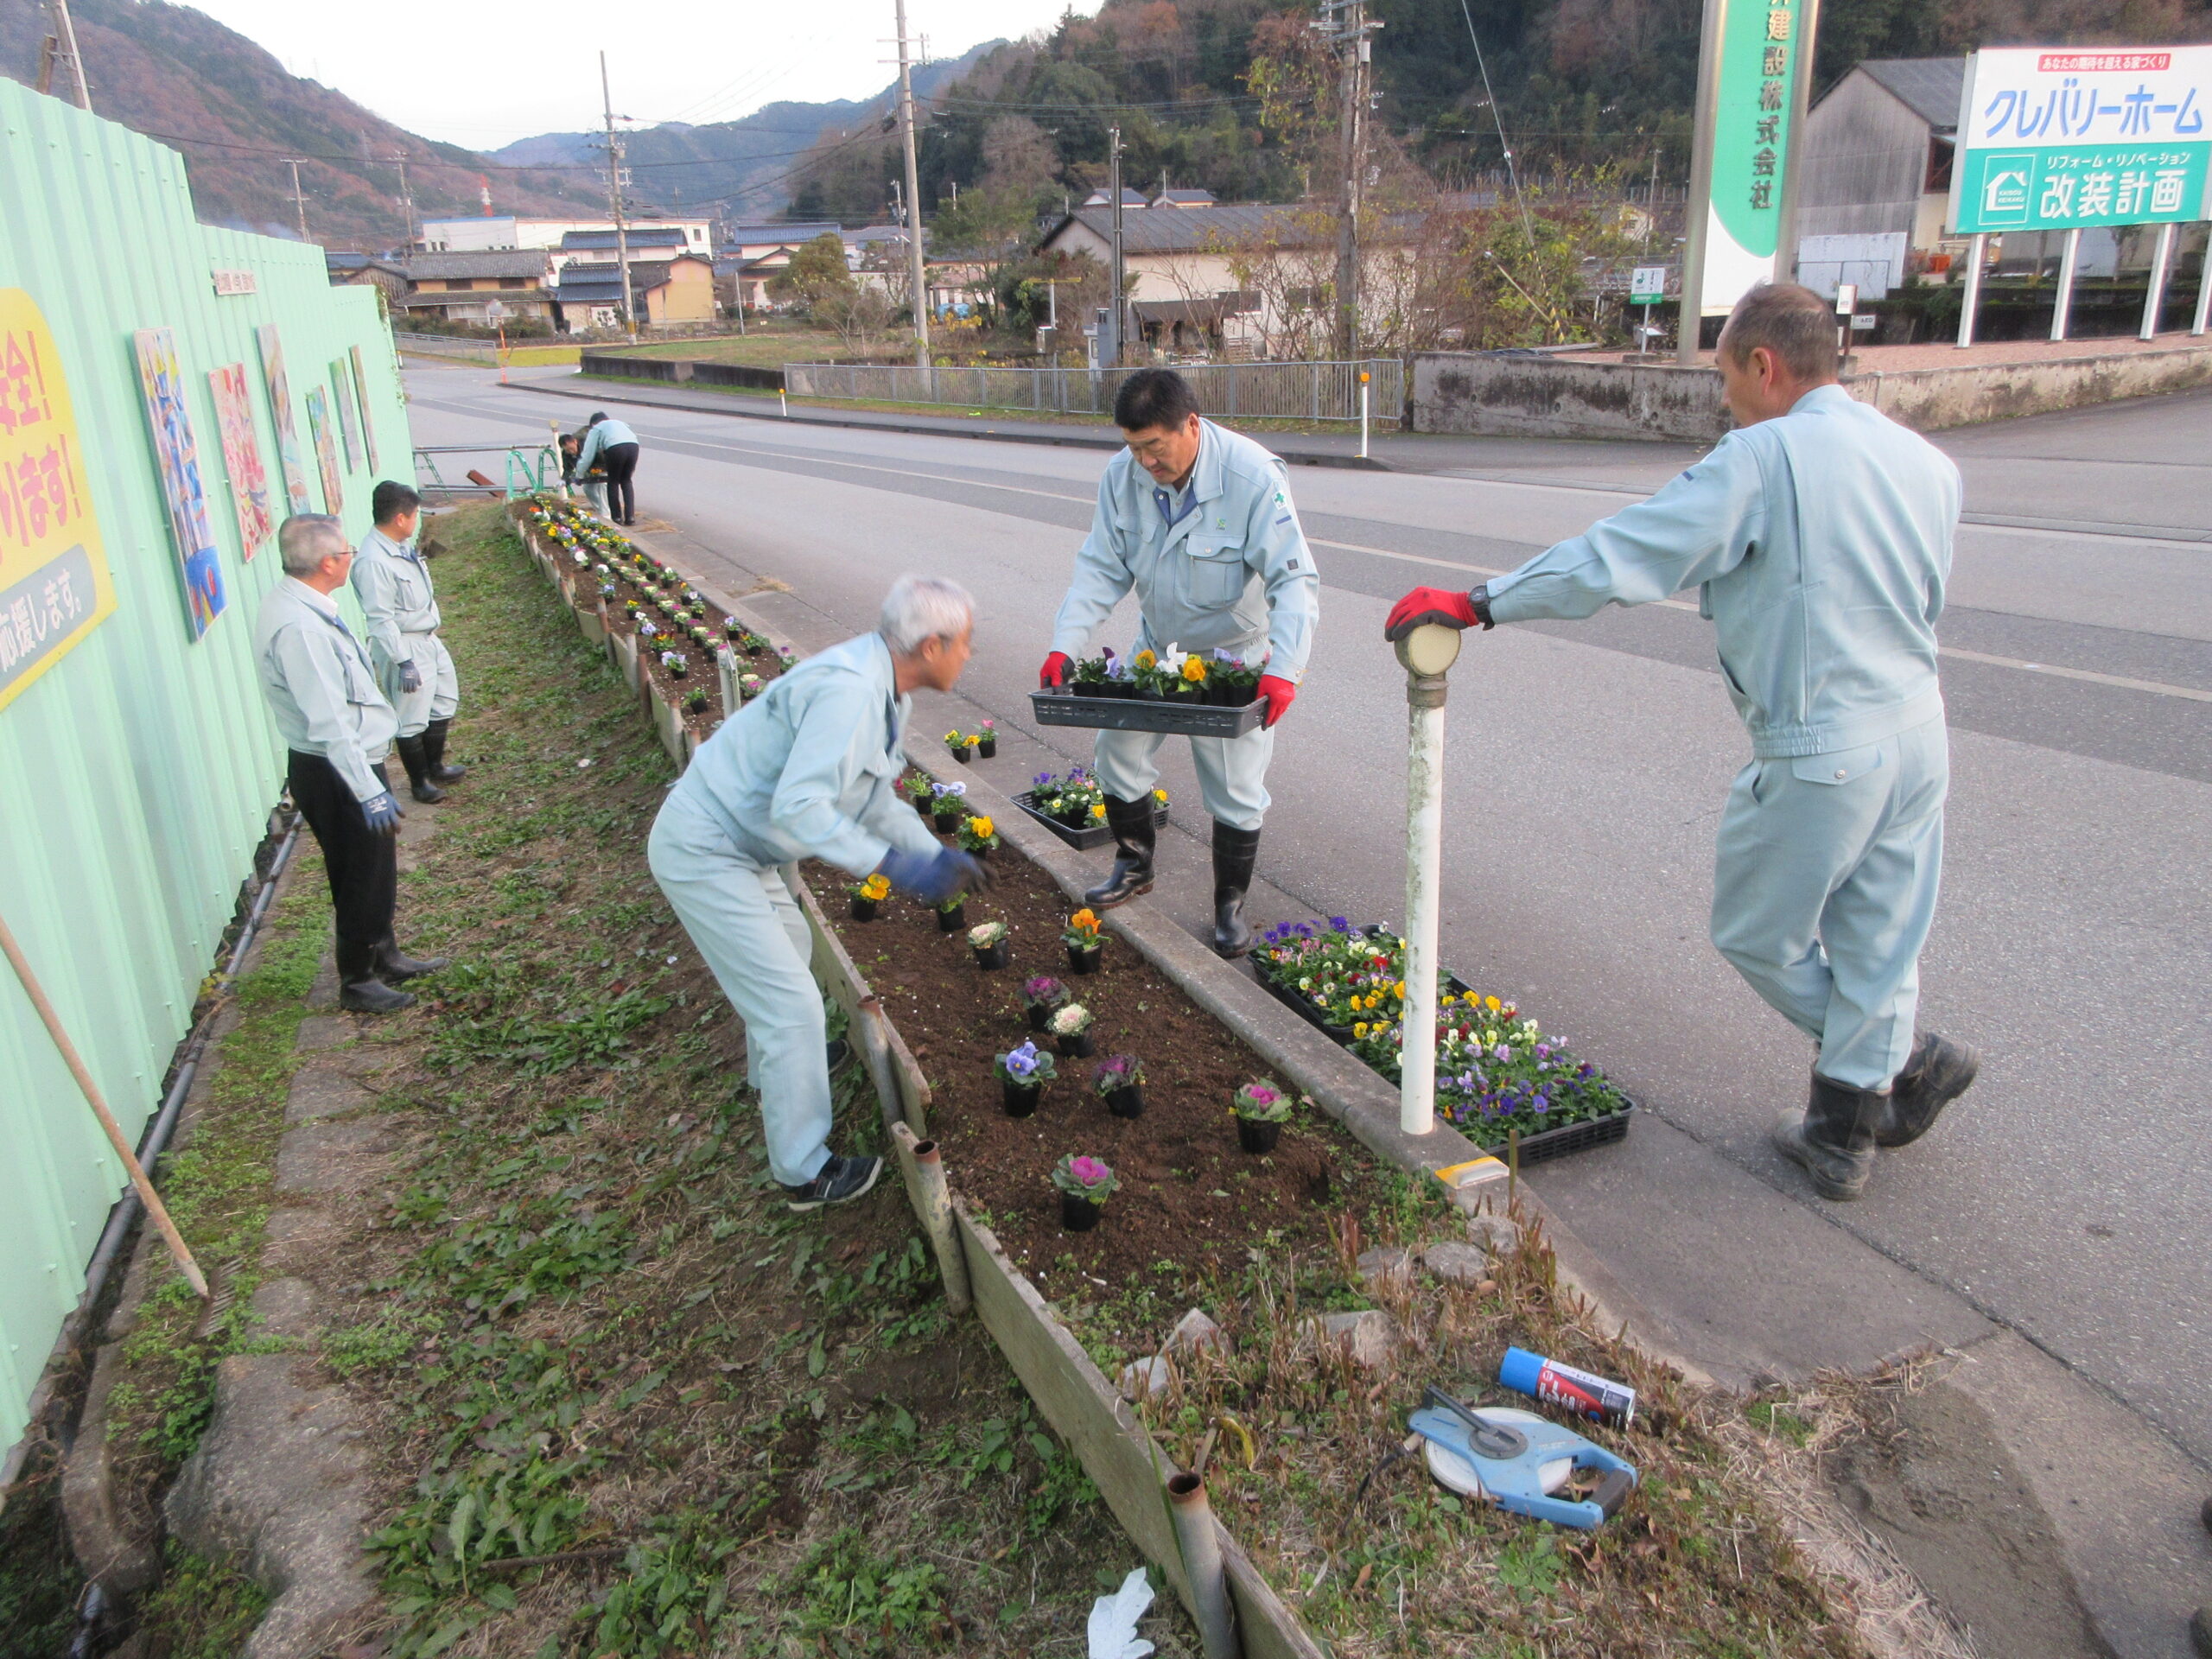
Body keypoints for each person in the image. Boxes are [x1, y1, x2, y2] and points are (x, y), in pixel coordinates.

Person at [1385, 283, 1979, 1203]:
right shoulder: (1926, 463)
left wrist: (1481, 602)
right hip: (1919, 731)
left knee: (1755, 932)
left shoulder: (1763, 459)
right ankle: (1841, 1138)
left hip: (1824, 745)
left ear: (1763, 365)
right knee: (1881, 936)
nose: (1725, 400)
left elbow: (1626, 553)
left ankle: (1896, 1066)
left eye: (1725, 378)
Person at [648, 576, 991, 1211]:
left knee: (793, 945)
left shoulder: (886, 693)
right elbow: (800, 807)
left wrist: (931, 854)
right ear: (931, 646)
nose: (969, 654)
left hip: (742, 843)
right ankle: (803, 1172)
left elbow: (869, 798)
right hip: (707, 846)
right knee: (792, 1008)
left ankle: (775, 1075)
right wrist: (890, 866)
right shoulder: (851, 692)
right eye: (965, 642)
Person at [1039, 368, 1320, 958]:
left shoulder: (1251, 477)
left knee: (1236, 787)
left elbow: (1294, 580)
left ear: (1191, 425)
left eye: (1154, 447)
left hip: (1233, 656)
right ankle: (1134, 863)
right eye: (1133, 447)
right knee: (1117, 752)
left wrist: (1284, 670)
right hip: (1157, 646)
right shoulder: (1123, 475)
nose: (1145, 462)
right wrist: (1065, 644)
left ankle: (1229, 905)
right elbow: (1101, 567)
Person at [253, 516, 448, 1014]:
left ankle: (384, 954)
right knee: (361, 872)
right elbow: (330, 722)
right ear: (327, 563)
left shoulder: (303, 605)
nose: (350, 558)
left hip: (344, 762)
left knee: (374, 868)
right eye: (346, 552)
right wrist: (368, 790)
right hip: (337, 768)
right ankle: (358, 980)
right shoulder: (301, 629)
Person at [351, 481, 467, 804]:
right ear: (400, 518)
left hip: (427, 638)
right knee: (411, 716)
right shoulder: (374, 561)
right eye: (415, 514)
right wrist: (403, 661)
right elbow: (380, 619)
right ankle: (419, 783)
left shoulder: (399, 547)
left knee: (444, 700)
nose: (418, 520)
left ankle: (435, 766)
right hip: (404, 645)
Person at [574, 411, 640, 525]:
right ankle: (630, 517)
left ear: (592, 424)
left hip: (615, 448)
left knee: (613, 481)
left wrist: (579, 476)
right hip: (634, 447)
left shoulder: (596, 429)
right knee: (626, 481)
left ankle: (617, 518)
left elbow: (587, 456)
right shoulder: (620, 423)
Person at [559, 426, 607, 518]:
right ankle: (601, 509)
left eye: (571, 449)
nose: (570, 452)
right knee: (588, 489)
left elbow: (601, 458)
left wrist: (598, 470)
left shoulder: (588, 446)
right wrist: (564, 480)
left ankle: (606, 513)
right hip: (588, 473)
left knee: (602, 486)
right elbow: (568, 468)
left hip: (602, 468)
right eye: (567, 450)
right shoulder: (566, 454)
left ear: (575, 442)